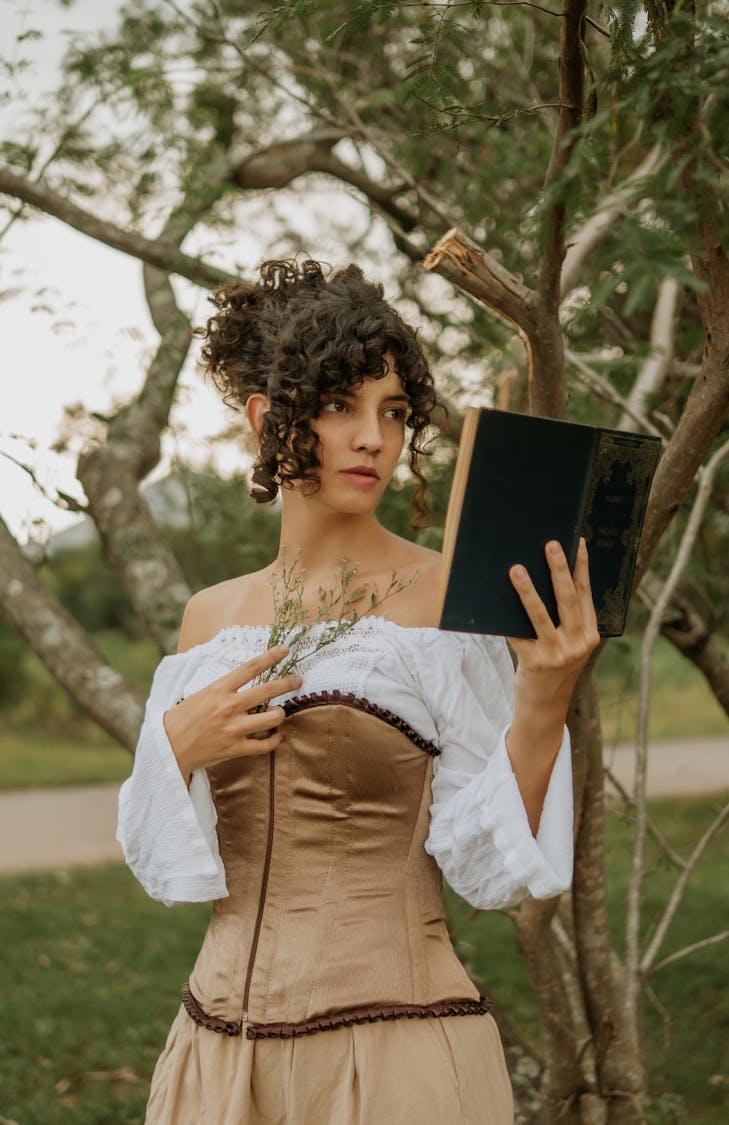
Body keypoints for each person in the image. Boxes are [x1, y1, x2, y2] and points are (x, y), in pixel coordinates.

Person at [117, 258, 599, 1125]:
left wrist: (545, 696)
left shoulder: (445, 603)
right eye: (340, 406)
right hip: (217, 1064)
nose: (373, 437)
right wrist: (177, 748)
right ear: (270, 418)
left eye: (394, 411)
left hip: (398, 1060)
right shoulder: (208, 619)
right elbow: (169, 865)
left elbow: (486, 868)